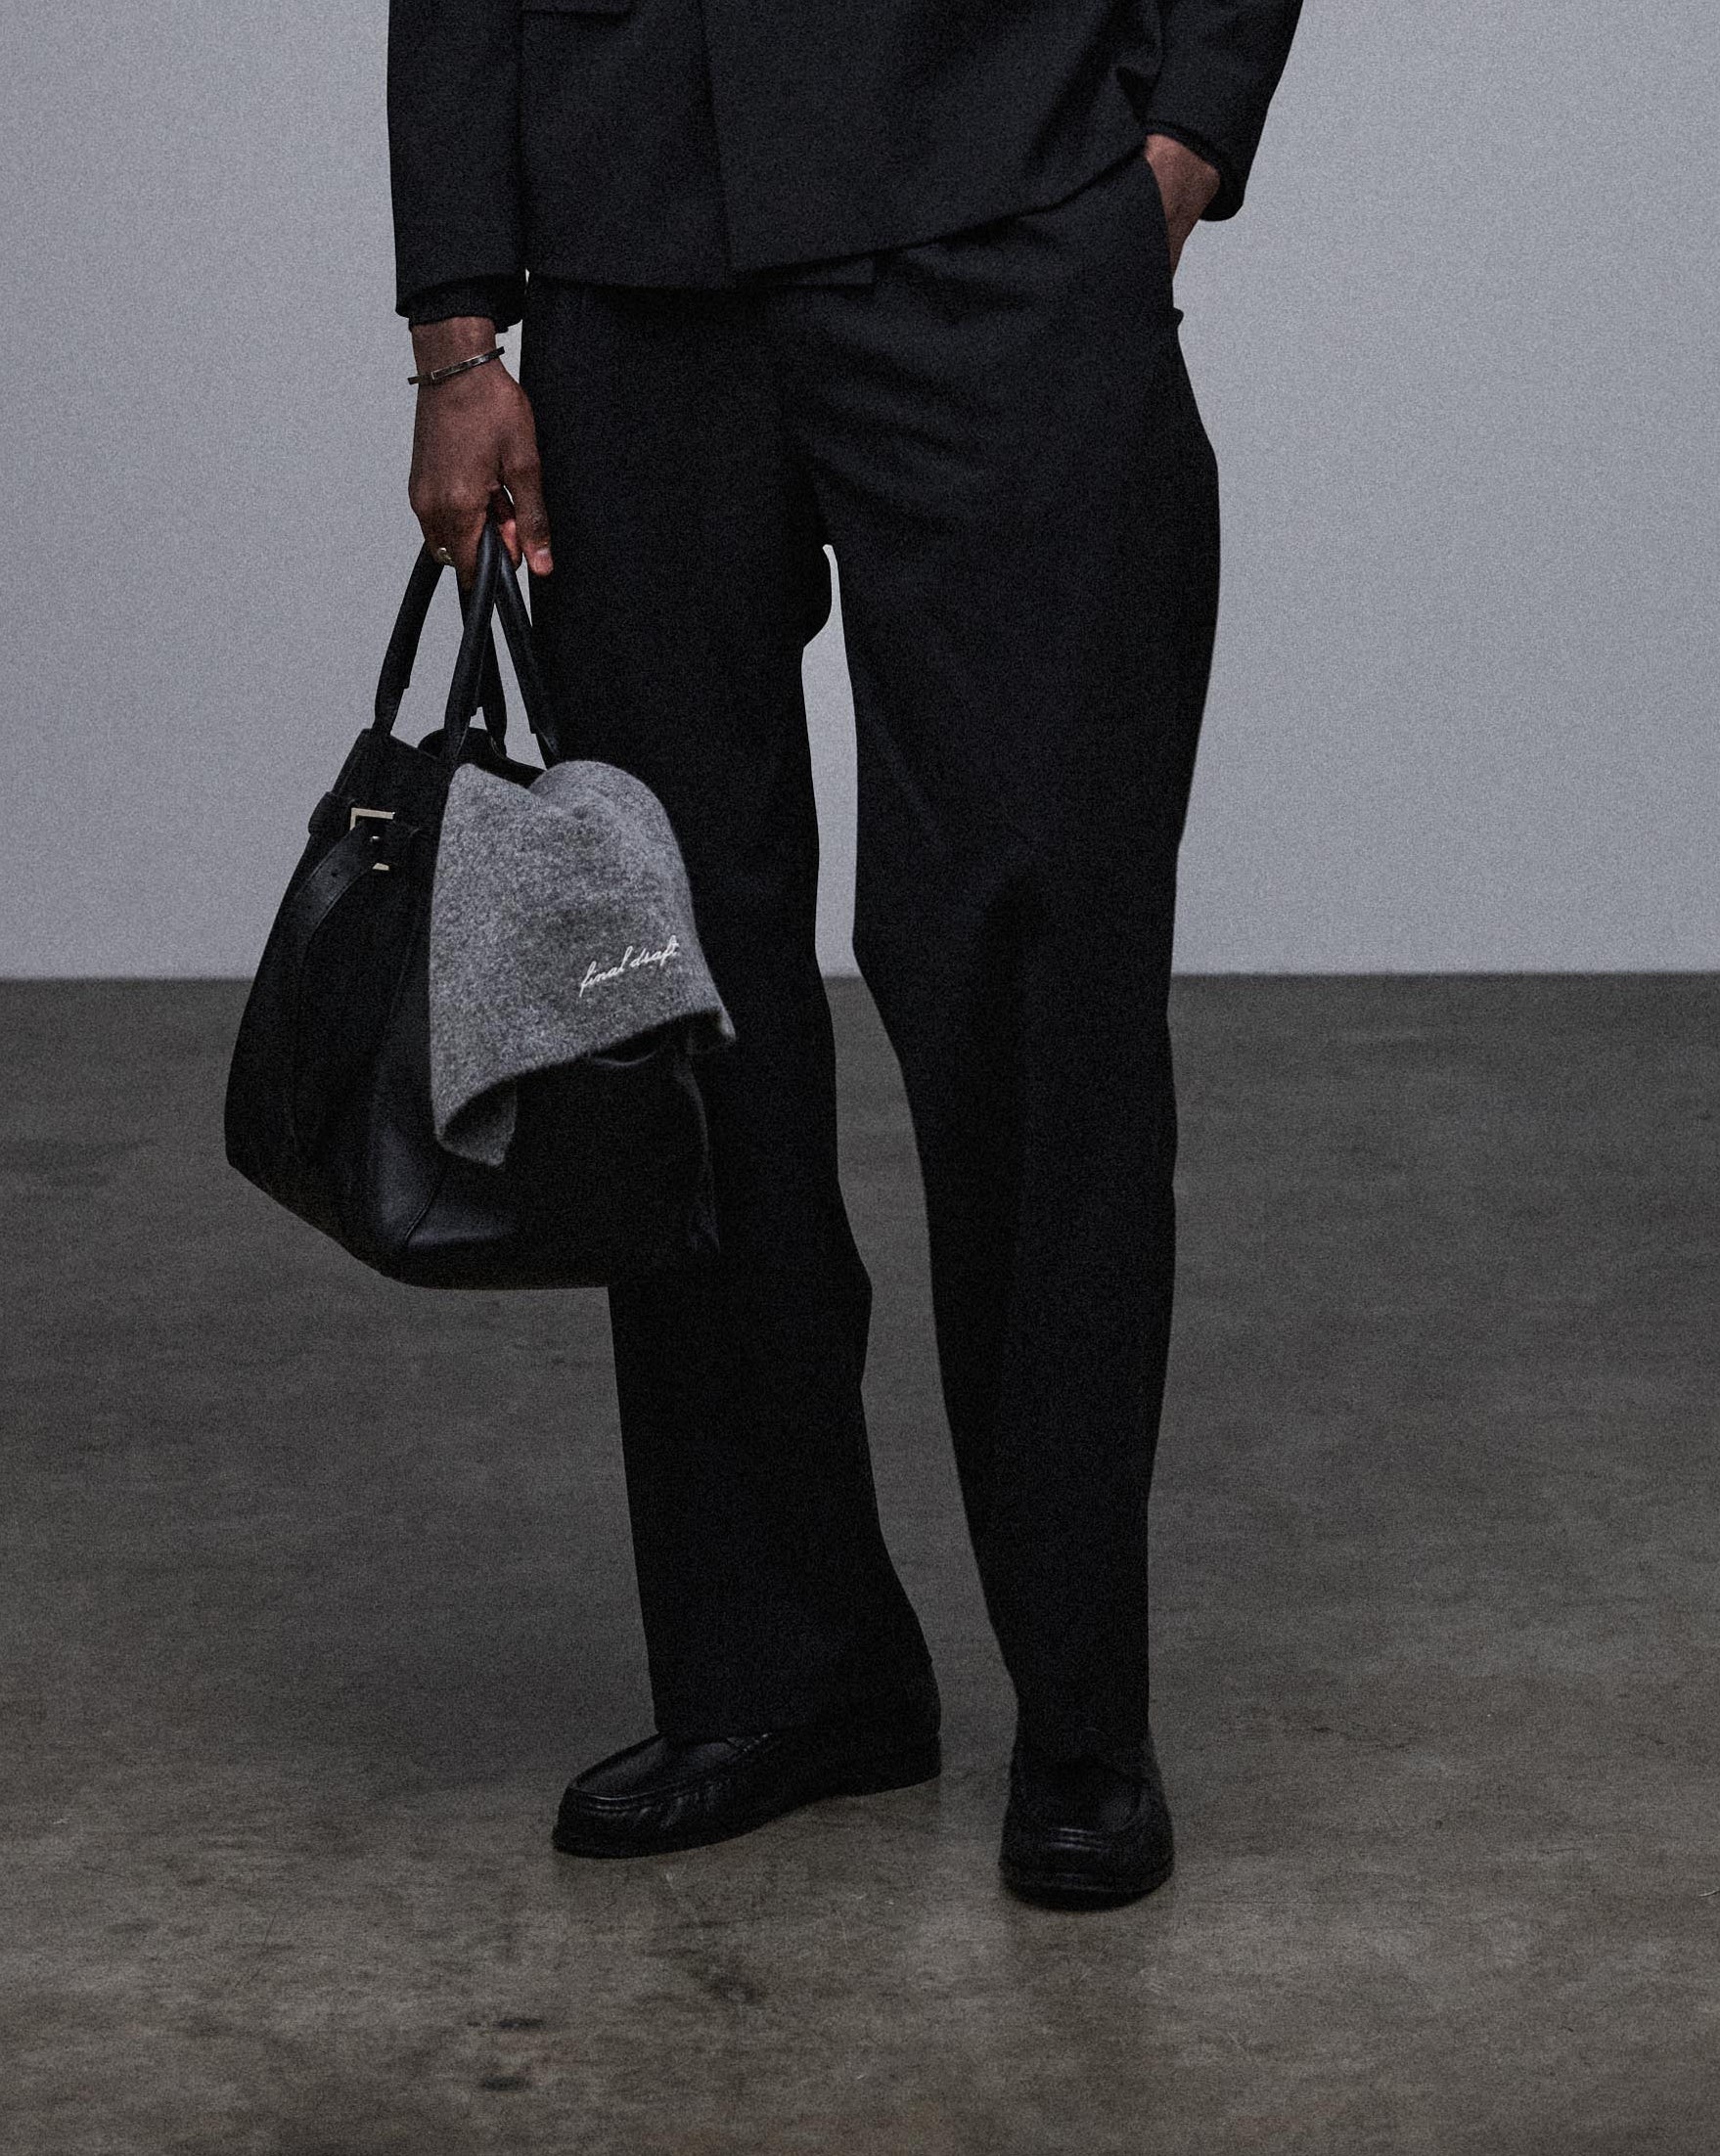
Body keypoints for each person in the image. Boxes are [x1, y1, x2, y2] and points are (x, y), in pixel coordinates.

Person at [388, 0, 1301, 1909]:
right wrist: (459, 328)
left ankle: (1081, 1715)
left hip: (997, 210)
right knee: (669, 988)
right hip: (635, 264)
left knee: (1030, 976)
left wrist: (1183, 139)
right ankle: (784, 1672)